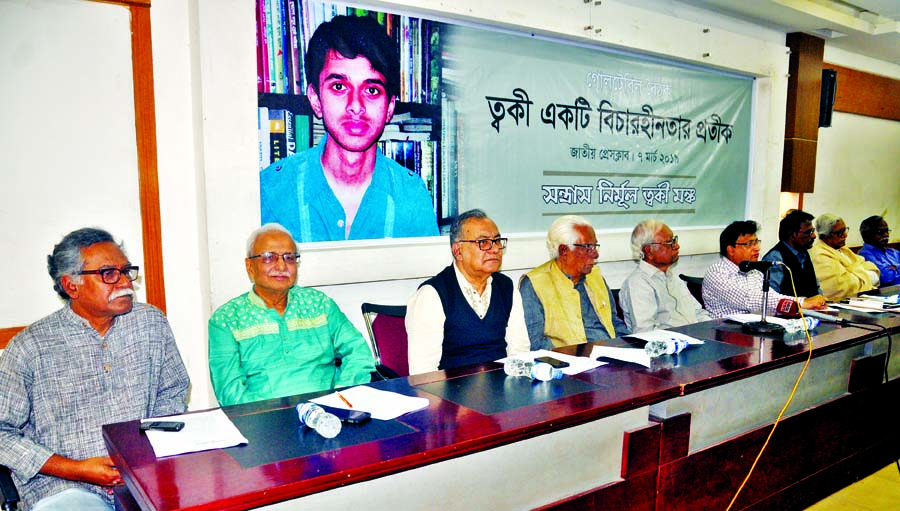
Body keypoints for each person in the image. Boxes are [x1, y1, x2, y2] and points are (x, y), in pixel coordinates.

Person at [0, 228, 190, 511]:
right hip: (64, 486)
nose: (125, 282)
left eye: (126, 271)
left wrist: (150, 448)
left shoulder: (150, 323)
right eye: (109, 274)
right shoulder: (31, 347)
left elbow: (173, 389)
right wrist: (74, 469)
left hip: (146, 475)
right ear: (71, 286)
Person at [260, 15, 438, 242]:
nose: (356, 106)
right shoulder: (270, 193)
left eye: (372, 90)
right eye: (339, 86)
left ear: (390, 106)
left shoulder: (412, 197)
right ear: (315, 99)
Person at [208, 223, 375, 406]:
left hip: (331, 411)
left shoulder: (319, 305)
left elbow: (358, 352)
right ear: (250, 266)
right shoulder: (226, 320)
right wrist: (271, 417)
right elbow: (230, 391)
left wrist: (341, 396)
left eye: (289, 258)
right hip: (266, 422)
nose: (281, 266)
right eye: (268, 258)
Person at [406, 209, 529, 374]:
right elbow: (423, 373)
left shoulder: (506, 287)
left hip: (502, 389)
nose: (495, 249)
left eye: (497, 241)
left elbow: (519, 353)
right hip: (452, 392)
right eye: (483, 242)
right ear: (458, 251)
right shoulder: (433, 294)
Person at [520, 215, 629, 350]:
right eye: (588, 247)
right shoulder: (534, 284)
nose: (595, 254)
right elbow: (536, 343)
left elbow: (615, 323)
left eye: (595, 246)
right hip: (570, 364)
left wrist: (631, 348)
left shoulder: (595, 276)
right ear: (564, 251)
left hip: (612, 358)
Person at [702, 220, 827, 318]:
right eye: (749, 244)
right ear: (731, 250)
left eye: (756, 242)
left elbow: (771, 298)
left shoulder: (754, 272)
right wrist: (802, 302)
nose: (756, 248)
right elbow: (751, 299)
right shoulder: (717, 273)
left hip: (753, 332)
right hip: (725, 337)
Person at [619, 220, 710, 333]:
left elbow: (698, 313)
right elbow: (645, 332)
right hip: (671, 347)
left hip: (696, 340)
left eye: (674, 240)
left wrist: (712, 330)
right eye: (669, 242)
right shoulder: (638, 284)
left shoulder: (673, 278)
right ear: (649, 251)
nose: (677, 246)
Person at [809, 213, 880, 301]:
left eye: (845, 230)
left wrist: (854, 274)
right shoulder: (819, 255)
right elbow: (842, 288)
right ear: (824, 235)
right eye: (839, 233)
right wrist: (865, 275)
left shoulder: (843, 249)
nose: (845, 235)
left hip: (863, 300)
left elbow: (873, 270)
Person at [760, 209, 823, 298]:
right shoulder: (775, 258)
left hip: (812, 309)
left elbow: (815, 288)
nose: (813, 236)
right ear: (793, 234)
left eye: (813, 231)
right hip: (788, 310)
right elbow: (771, 296)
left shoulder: (804, 254)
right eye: (809, 232)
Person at [858, 215, 900, 287]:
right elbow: (885, 277)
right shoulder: (864, 255)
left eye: (887, 231)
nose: (886, 235)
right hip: (889, 294)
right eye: (880, 232)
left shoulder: (893, 252)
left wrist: (894, 267)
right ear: (866, 236)